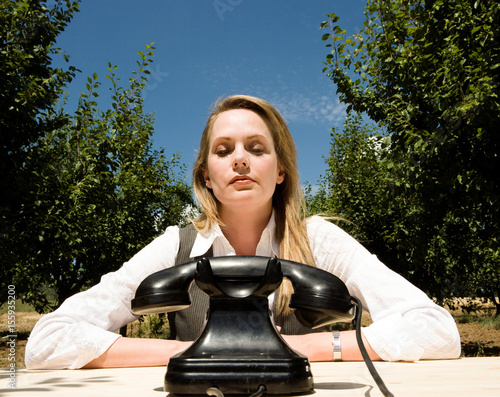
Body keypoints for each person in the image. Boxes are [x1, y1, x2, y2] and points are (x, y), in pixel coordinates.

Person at [25, 95, 461, 370]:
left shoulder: (319, 240)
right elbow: (47, 341)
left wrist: (296, 348)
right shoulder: (175, 246)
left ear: (280, 173)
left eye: (256, 148)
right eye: (223, 150)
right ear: (206, 176)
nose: (239, 160)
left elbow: (437, 331)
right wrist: (196, 353)